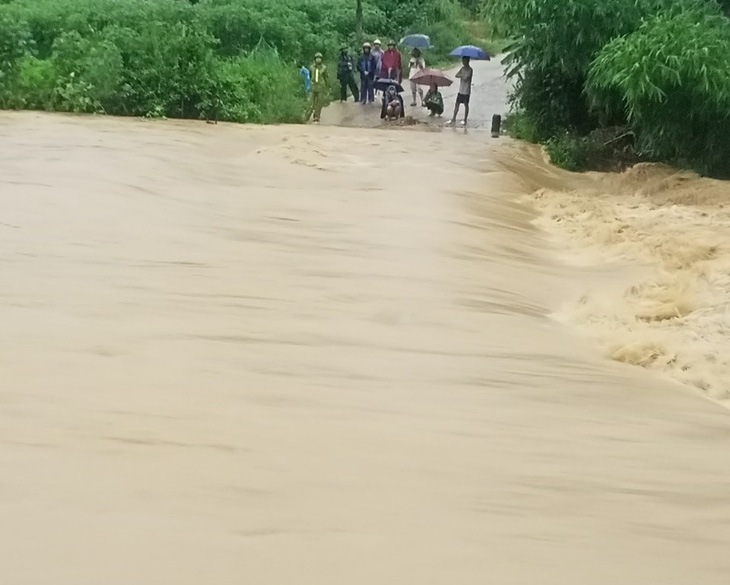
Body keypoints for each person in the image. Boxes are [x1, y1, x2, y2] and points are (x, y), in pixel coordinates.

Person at [447, 56, 473, 126]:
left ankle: (465, 119)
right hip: (461, 90)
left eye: (464, 61)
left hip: (466, 90)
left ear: (468, 61)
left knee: (466, 105)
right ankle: (453, 118)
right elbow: (457, 75)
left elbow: (466, 78)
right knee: (457, 104)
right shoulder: (462, 69)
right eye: (463, 61)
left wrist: (462, 75)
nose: (463, 62)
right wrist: (462, 75)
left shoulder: (470, 70)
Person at [305, 52, 328, 123]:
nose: (318, 60)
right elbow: (309, 76)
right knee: (310, 102)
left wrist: (327, 86)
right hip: (313, 86)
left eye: (319, 58)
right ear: (315, 59)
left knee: (319, 103)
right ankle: (306, 117)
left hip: (321, 87)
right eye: (317, 58)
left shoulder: (324, 68)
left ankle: (317, 117)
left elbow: (326, 77)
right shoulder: (311, 67)